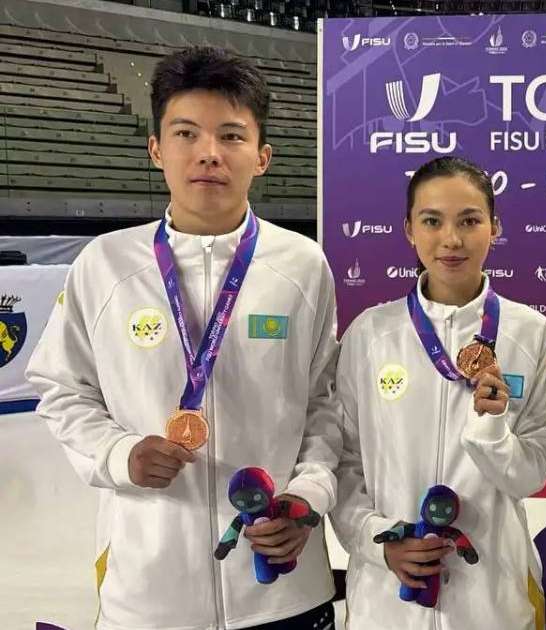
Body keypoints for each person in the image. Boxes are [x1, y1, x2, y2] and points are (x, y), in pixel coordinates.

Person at [25, 47, 341, 629]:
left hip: (279, 584)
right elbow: (61, 390)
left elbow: (325, 403)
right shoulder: (106, 264)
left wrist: (308, 498)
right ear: (156, 149)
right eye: (186, 133)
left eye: (231, 136)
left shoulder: (301, 265)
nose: (209, 154)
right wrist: (119, 453)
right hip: (149, 589)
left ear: (263, 156)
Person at [329, 156, 546, 629]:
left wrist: (494, 429)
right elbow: (345, 463)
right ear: (409, 229)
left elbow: (533, 473)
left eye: (469, 221)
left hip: (493, 597)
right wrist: (379, 540)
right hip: (385, 603)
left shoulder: (529, 333)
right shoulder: (370, 333)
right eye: (432, 221)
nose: (451, 239)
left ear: (494, 227)